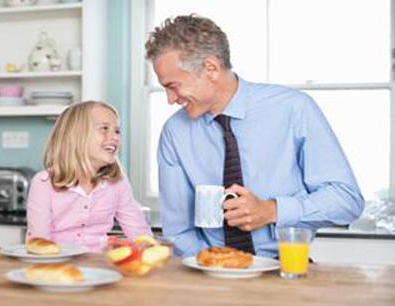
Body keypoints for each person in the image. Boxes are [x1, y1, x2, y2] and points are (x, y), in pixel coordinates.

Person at [145, 14, 364, 258]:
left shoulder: (294, 109)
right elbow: (179, 232)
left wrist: (273, 211)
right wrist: (219, 265)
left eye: (173, 86)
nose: (170, 99)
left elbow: (346, 200)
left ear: (211, 68)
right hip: (208, 271)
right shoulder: (175, 133)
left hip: (284, 269)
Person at [26, 101, 152, 252]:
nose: (115, 137)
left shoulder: (117, 183)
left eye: (117, 131)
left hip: (99, 266)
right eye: (104, 129)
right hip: (55, 265)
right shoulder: (43, 183)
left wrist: (149, 249)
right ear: (76, 136)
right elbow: (39, 243)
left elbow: (139, 231)